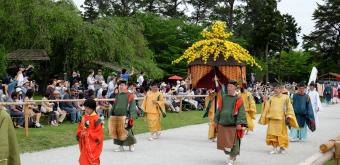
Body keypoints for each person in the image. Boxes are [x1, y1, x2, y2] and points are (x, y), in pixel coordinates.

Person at [259, 83, 299, 154]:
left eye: (278, 88)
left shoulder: (285, 97)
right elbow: (267, 107)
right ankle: (274, 148)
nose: (276, 90)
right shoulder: (271, 98)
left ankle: (282, 147)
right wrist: (265, 102)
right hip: (272, 119)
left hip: (281, 119)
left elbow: (289, 107)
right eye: (275, 88)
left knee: (282, 134)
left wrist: (288, 116)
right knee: (272, 134)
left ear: (281, 89)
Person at [214, 80, 247, 165]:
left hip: (233, 124)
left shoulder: (238, 98)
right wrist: (216, 120)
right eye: (228, 86)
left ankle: (232, 159)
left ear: (235, 88)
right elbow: (219, 109)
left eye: (230, 86)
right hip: (223, 123)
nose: (228, 88)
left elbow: (241, 112)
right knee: (225, 143)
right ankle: (231, 156)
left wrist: (239, 123)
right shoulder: (224, 97)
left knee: (234, 143)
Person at [108, 79, 137, 152]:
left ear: (126, 86)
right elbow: (114, 105)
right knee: (118, 132)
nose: (120, 86)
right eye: (119, 85)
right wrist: (111, 113)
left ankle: (131, 145)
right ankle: (121, 146)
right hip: (117, 117)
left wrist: (132, 115)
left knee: (127, 132)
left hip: (125, 116)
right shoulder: (118, 95)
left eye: (122, 85)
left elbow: (132, 106)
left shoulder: (130, 95)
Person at [77, 99, 104, 165]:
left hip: (92, 145)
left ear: (93, 109)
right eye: (85, 107)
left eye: (88, 108)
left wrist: (87, 134)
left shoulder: (97, 119)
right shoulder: (83, 117)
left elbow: (98, 134)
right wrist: (81, 133)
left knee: (91, 161)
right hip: (85, 144)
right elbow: (79, 129)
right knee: (83, 160)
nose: (86, 110)